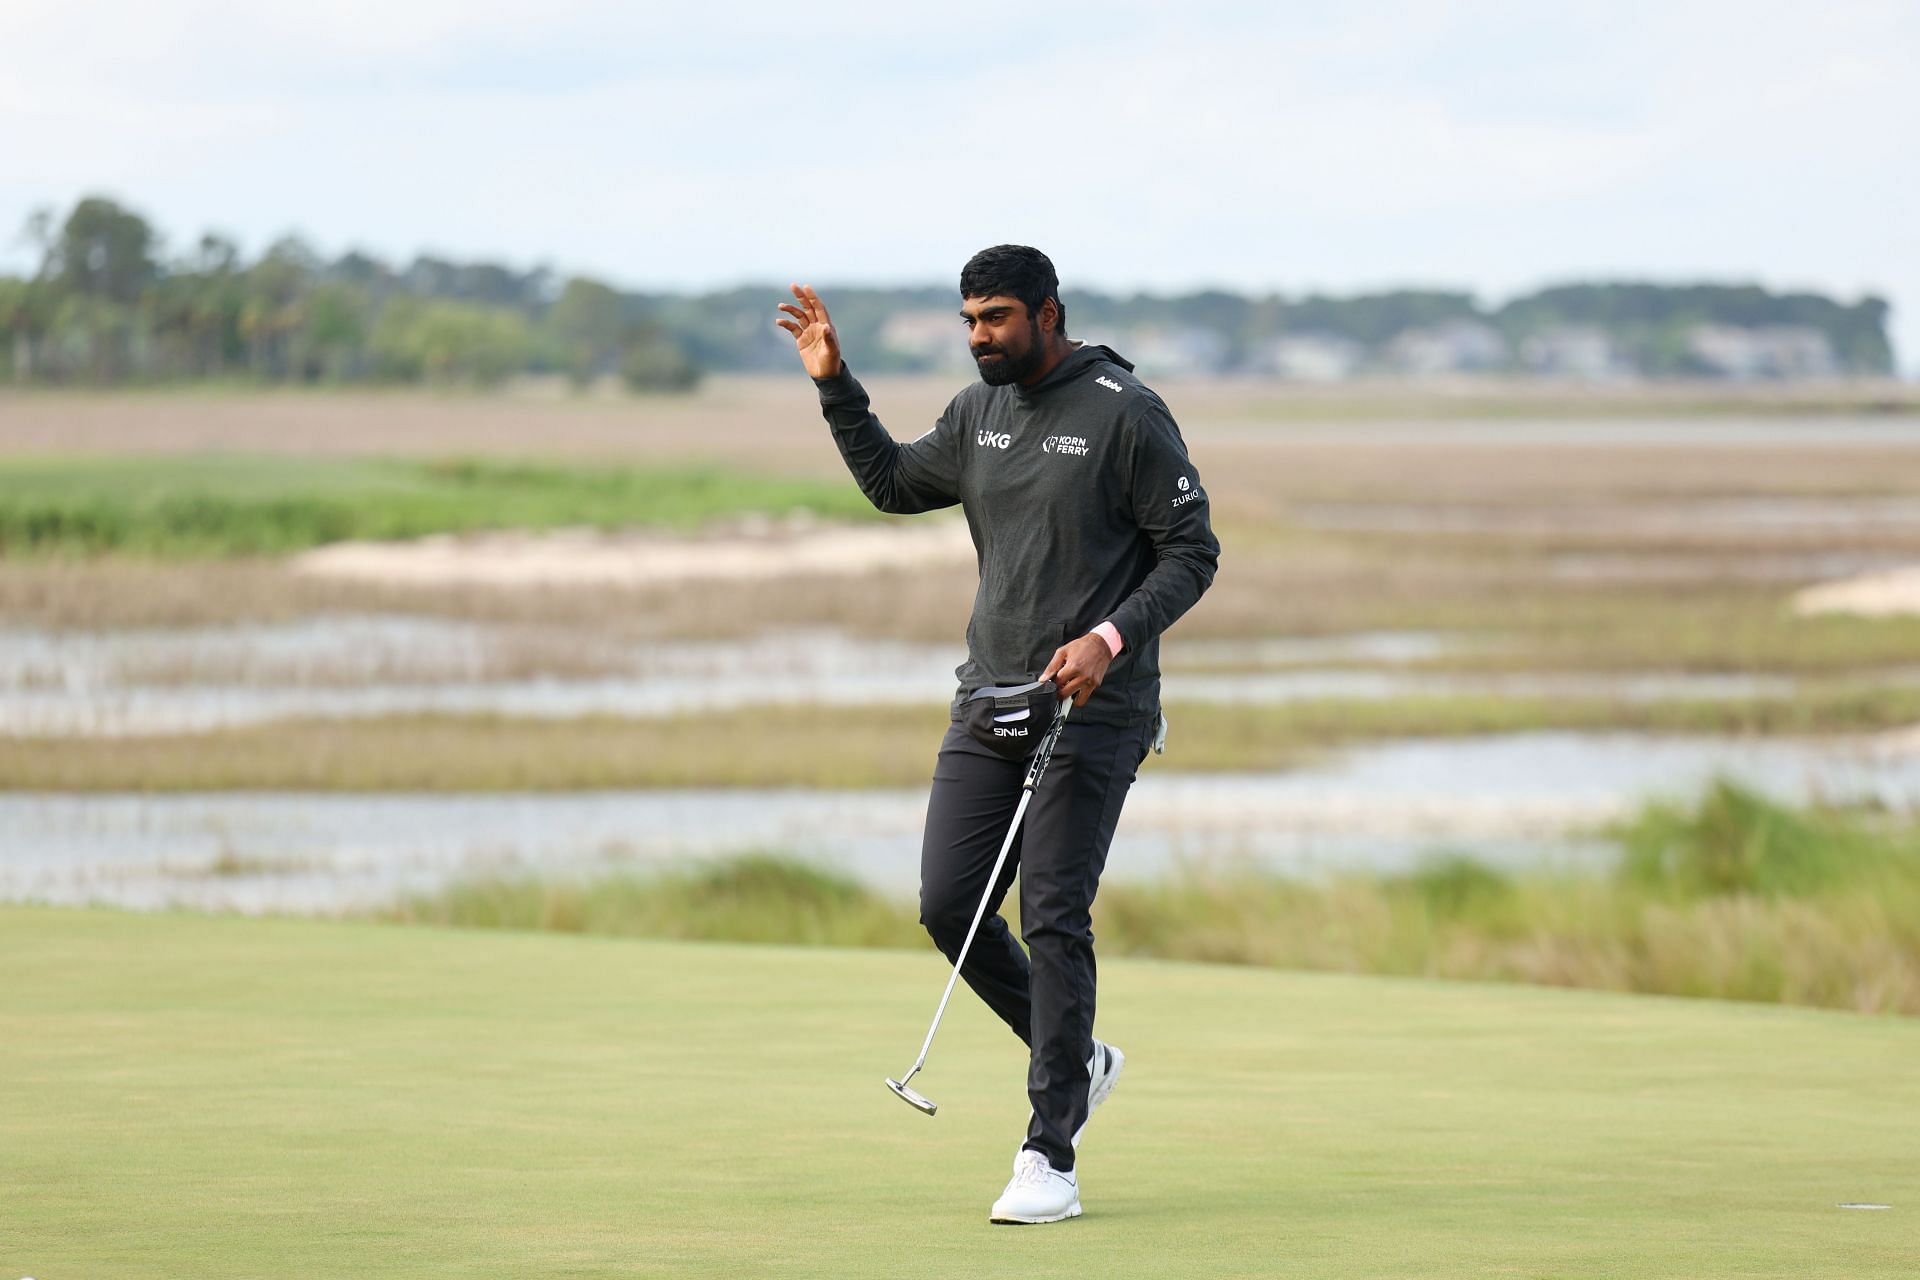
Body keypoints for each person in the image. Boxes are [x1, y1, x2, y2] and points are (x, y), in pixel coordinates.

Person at [777, 245, 1219, 1224]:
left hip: (1095, 710)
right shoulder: (977, 412)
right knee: (950, 906)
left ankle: (1047, 1151)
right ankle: (1079, 1057)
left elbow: (1194, 549)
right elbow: (893, 484)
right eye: (970, 318)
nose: (980, 335)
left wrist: (1110, 637)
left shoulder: (1123, 411)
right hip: (991, 698)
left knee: (1054, 911)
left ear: (1048, 313)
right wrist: (835, 385)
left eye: (997, 318)